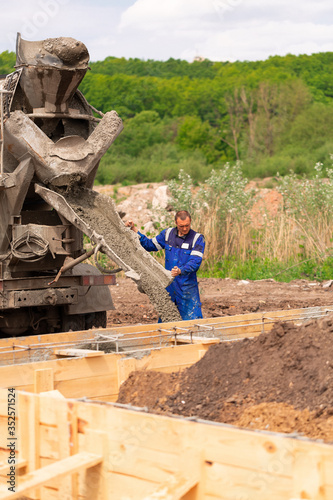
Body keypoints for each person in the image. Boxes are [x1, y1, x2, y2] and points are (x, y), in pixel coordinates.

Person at [125, 210, 205, 320]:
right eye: (182, 226)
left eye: (187, 225)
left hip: (187, 288)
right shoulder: (168, 234)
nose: (185, 228)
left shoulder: (197, 239)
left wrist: (181, 270)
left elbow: (195, 262)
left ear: (190, 222)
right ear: (176, 223)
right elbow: (149, 245)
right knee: (167, 319)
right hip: (169, 286)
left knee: (192, 321)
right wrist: (134, 230)